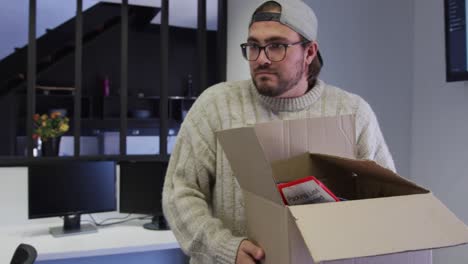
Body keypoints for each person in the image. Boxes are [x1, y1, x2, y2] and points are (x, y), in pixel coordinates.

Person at [162, 0, 396, 263]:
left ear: (309, 52)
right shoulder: (215, 106)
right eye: (253, 46)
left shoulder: (353, 113)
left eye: (276, 46)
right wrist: (224, 247)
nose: (261, 58)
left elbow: (385, 201)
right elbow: (180, 192)